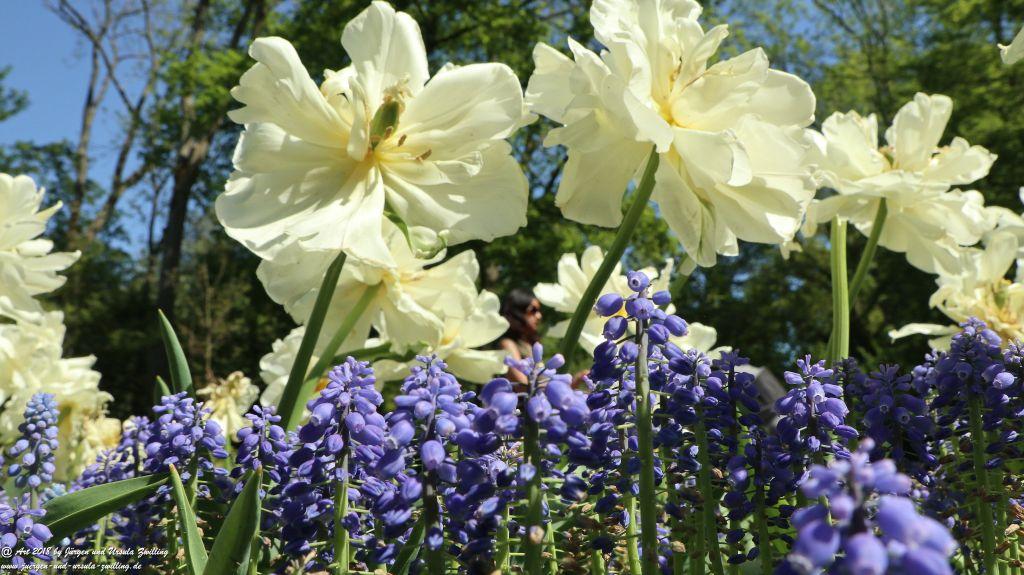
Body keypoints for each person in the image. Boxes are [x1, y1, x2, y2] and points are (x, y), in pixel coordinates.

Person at [499, 288, 542, 385]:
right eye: (533, 310)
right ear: (515, 313)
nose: (539, 316)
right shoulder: (507, 344)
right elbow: (522, 384)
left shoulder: (530, 345)